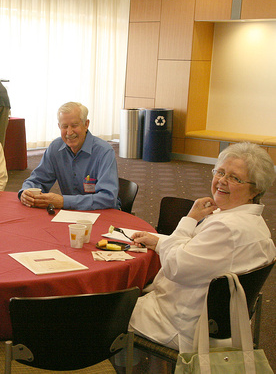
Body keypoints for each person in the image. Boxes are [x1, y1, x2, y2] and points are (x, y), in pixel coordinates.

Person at [129, 142, 276, 353]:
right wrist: (160, 242)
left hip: (181, 324)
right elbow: (200, 255)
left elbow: (174, 267)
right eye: (220, 172)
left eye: (235, 178)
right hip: (216, 320)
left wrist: (189, 219)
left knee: (109, 308)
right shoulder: (253, 223)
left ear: (255, 190)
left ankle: (123, 360)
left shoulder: (227, 228)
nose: (222, 181)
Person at [18, 102, 119, 211]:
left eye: (74, 125)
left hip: (103, 213)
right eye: (64, 126)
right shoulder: (55, 148)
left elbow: (108, 198)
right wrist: (26, 191)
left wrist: (63, 201)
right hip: (69, 214)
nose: (69, 132)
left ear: (86, 124)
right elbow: (38, 180)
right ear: (59, 126)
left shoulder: (104, 152)